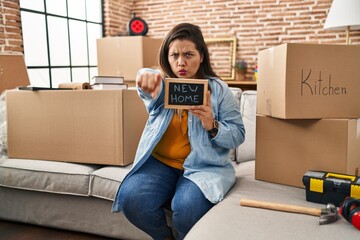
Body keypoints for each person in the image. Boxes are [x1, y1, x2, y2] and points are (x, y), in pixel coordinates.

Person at [112, 23, 245, 240]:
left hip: (203, 167)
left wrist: (213, 125)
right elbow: (146, 85)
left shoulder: (220, 90)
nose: (180, 62)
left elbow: (238, 135)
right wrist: (143, 75)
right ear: (167, 57)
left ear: (201, 56)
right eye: (174, 55)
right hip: (160, 164)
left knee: (187, 210)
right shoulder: (161, 85)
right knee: (131, 199)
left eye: (188, 54)